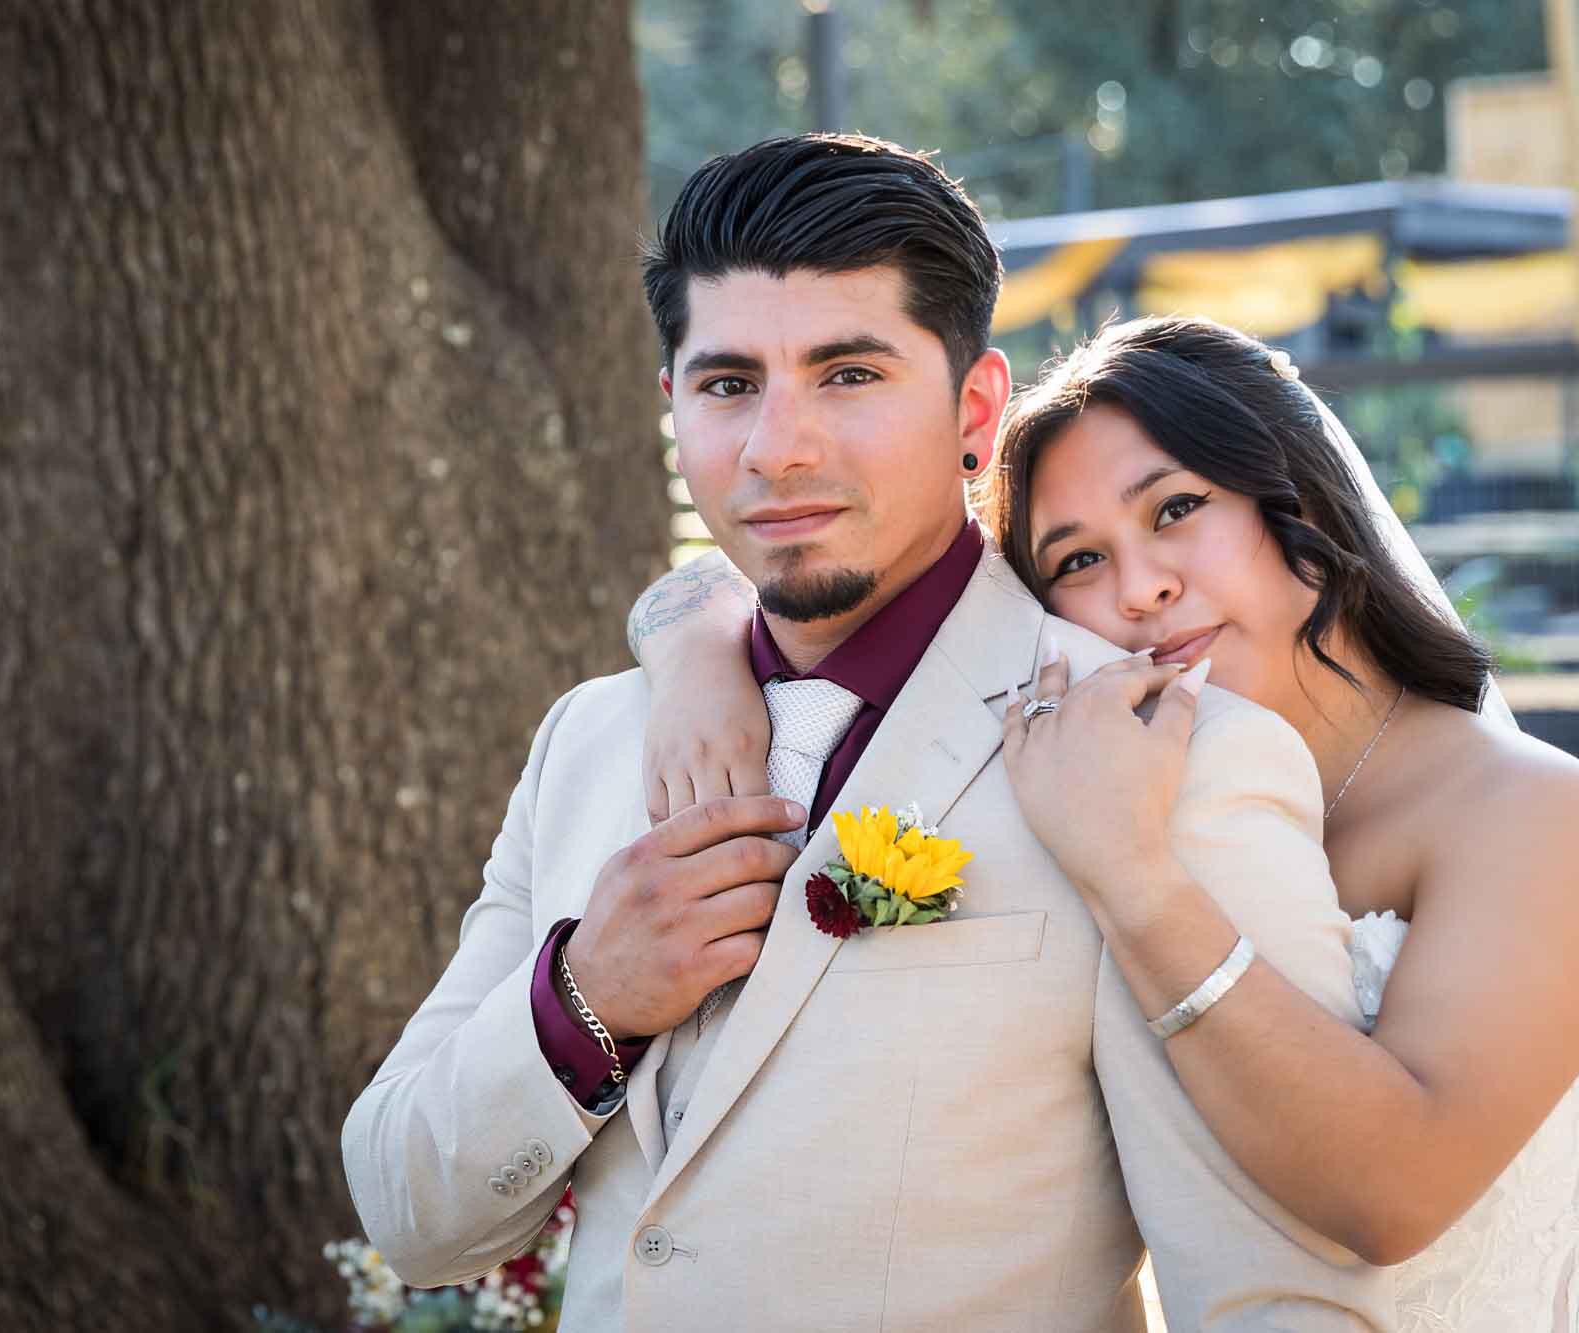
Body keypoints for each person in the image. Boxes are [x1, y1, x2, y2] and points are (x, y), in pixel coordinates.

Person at [344, 135, 1399, 1331]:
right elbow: (404, 1211)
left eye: (848, 375)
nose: (777, 447)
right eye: (729, 383)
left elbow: (1279, 1288)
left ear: (976, 408)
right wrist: (585, 995)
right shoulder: (589, 739)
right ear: (673, 408)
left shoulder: (1174, 753)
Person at [633, 313, 1579, 1330]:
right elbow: (812, 568)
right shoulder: (1150, 781)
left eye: (1174, 508)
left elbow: (1390, 1196)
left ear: (1300, 497)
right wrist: (692, 651)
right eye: (1076, 560)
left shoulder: (1527, 811)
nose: (1141, 588)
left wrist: (1131, 876)